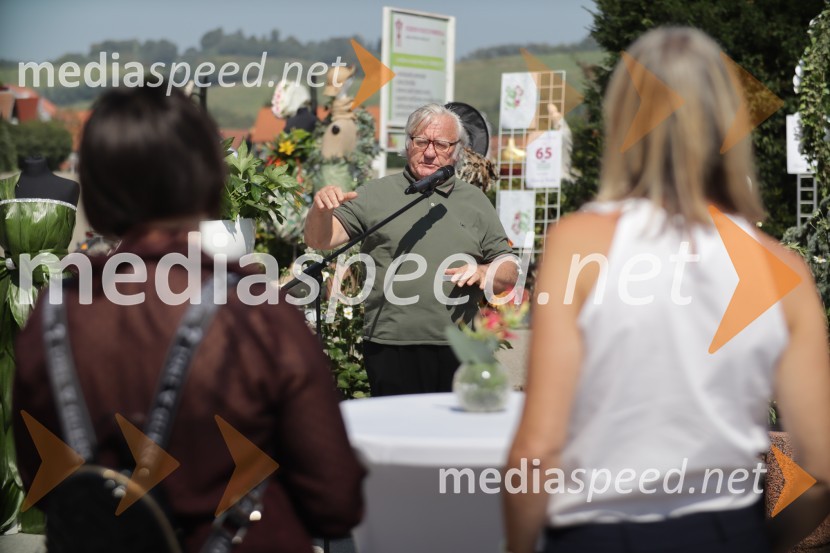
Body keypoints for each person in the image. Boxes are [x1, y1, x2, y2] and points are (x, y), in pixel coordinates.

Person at [504, 27, 830, 553]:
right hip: (729, 530)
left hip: (599, 532)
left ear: (623, 122)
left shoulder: (577, 244)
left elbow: (538, 449)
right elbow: (820, 467)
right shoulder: (784, 269)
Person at [13, 85, 365, 553]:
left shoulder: (53, 311)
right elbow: (335, 500)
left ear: (92, 189)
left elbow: (41, 474)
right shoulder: (255, 309)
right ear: (207, 178)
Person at [304, 103, 518, 396]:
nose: (430, 152)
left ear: (457, 150)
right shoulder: (375, 194)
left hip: (459, 346)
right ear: (407, 143)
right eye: (421, 141)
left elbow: (510, 268)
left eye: (441, 144)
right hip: (389, 345)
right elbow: (320, 241)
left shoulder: (475, 201)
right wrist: (320, 210)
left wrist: (484, 271)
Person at [1, 156, 78, 535]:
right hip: (10, 297)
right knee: (8, 390)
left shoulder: (70, 188)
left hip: (51, 295)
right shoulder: (3, 190)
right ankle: (15, 493)